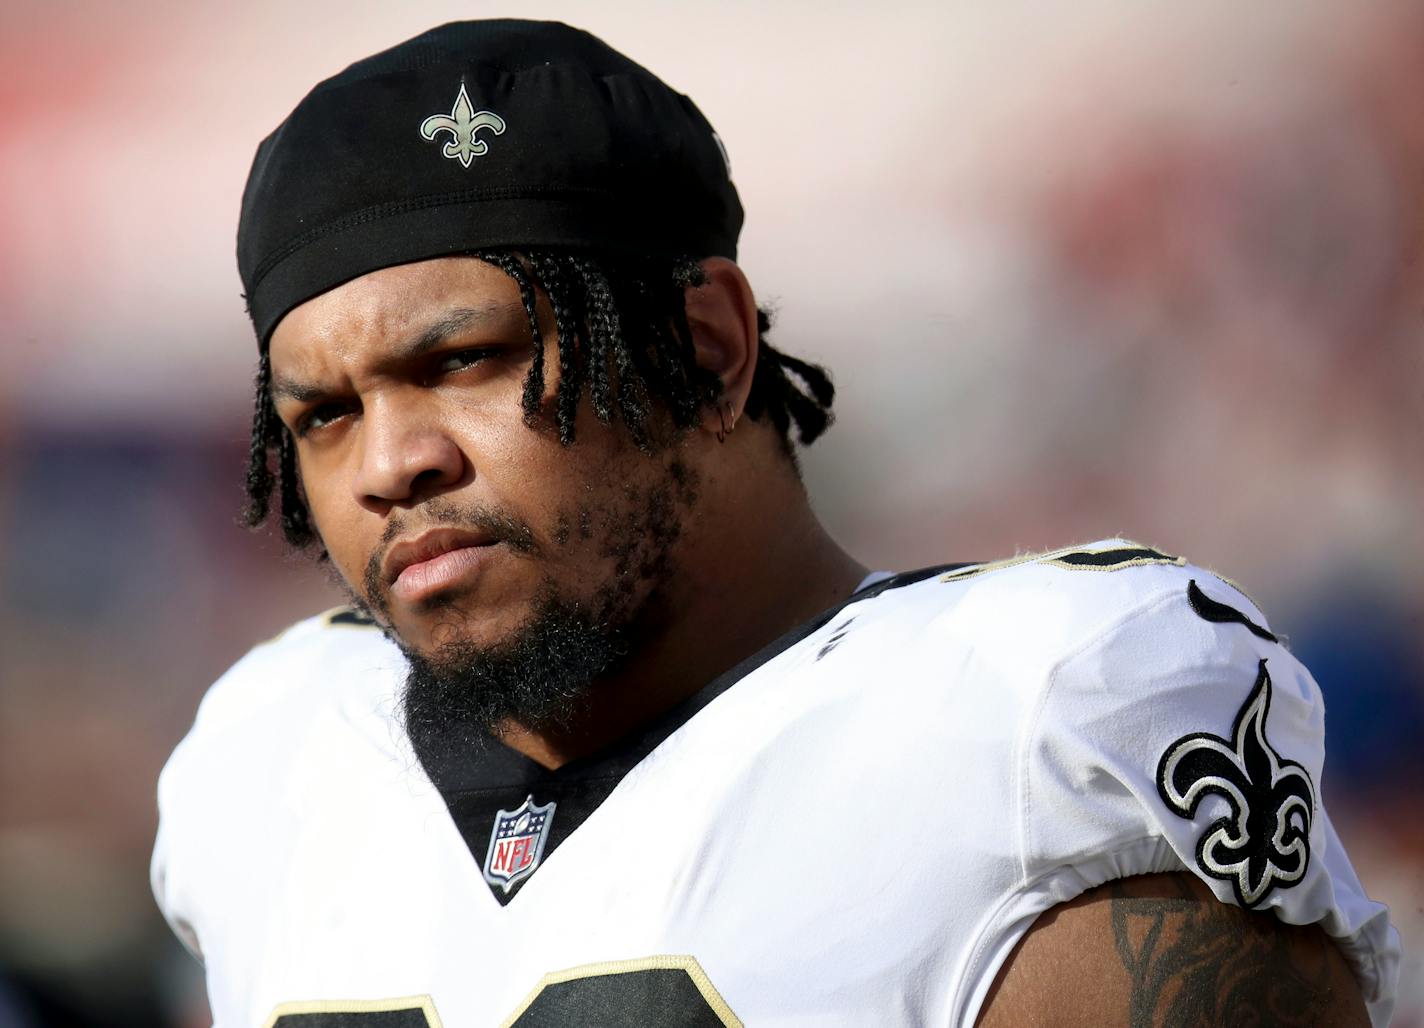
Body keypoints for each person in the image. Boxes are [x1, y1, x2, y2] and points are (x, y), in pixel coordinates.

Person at [151, 19, 1399, 1027]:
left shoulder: (1032, 716)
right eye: (319, 415)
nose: (390, 463)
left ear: (707, 347)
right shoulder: (271, 755)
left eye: (464, 359)